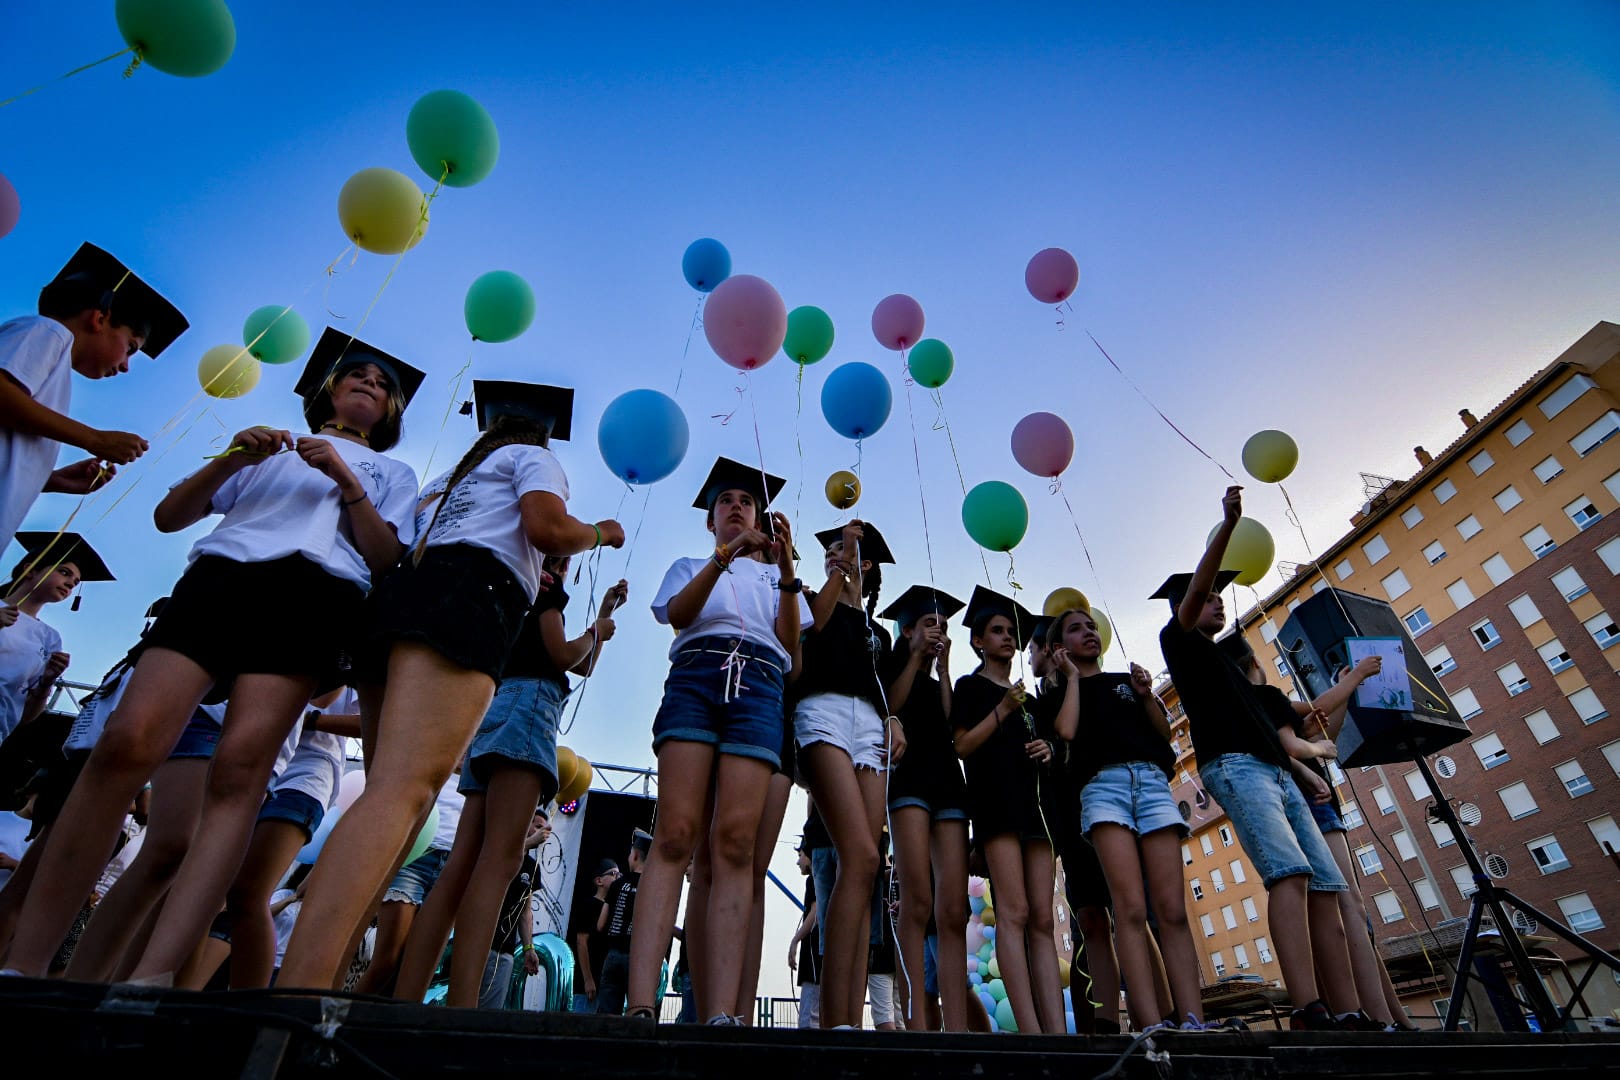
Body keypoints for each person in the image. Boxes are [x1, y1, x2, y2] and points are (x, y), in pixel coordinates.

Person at [5, 330, 424, 980]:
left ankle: (152, 978)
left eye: (382, 383)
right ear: (326, 392)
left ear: (393, 411)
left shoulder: (394, 474)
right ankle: (24, 965)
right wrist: (230, 458)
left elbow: (386, 557)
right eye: (356, 375)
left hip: (315, 597)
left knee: (240, 773)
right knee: (126, 744)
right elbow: (171, 515)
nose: (368, 383)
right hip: (221, 580)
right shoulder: (269, 446)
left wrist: (345, 479)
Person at [279, 380, 622, 990]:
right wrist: (599, 533)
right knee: (403, 797)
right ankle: (301, 992)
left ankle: (322, 981)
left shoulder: (447, 482)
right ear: (541, 434)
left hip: (394, 606)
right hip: (466, 601)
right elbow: (547, 529)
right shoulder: (533, 459)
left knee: (393, 805)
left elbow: (390, 553)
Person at [393, 531, 626, 1008]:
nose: (563, 572)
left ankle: (407, 996)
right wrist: (596, 630)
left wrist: (601, 620)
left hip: (491, 708)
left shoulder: (505, 591)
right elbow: (564, 657)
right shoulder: (547, 589)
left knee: (462, 864)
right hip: (529, 709)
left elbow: (579, 666)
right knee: (500, 862)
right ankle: (462, 1007)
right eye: (561, 564)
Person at [1154, 485, 1356, 1031]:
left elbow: (1290, 724)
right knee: (1288, 874)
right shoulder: (1181, 645)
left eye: (1224, 596)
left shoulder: (1233, 672)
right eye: (1211, 597)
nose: (1220, 601)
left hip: (1274, 771)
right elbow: (1197, 592)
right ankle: (1307, 1008)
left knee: (1326, 886)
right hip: (1236, 770)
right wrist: (1226, 526)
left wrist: (1303, 763)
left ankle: (1347, 1010)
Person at [627, 458, 809, 1025]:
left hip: (759, 684)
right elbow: (678, 615)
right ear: (711, 521)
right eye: (725, 501)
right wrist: (724, 557)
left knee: (734, 842)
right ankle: (639, 1004)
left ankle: (724, 1014)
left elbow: (792, 652)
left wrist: (783, 571)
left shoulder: (781, 581)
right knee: (676, 833)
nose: (736, 507)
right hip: (697, 675)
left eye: (745, 501)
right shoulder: (690, 564)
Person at [1221, 635, 1407, 1030]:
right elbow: (1309, 737)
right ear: (1255, 661)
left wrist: (1334, 710)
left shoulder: (1256, 708)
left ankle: (1386, 1014)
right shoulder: (1266, 698)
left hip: (1309, 802)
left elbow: (1323, 732)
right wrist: (1356, 677)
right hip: (1309, 805)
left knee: (1345, 914)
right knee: (1347, 908)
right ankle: (1373, 1014)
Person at [1046, 607, 1205, 1031]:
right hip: (1103, 789)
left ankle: (1192, 1019)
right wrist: (1074, 679)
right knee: (1128, 908)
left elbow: (1163, 732)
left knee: (1171, 909)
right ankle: (1149, 1022)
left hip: (1152, 784)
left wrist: (1145, 692)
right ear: (1061, 647)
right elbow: (1065, 731)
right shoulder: (1064, 691)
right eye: (1076, 630)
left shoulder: (1123, 683)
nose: (1089, 634)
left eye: (1092, 627)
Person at [0, 243, 187, 544]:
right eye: (130, 348)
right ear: (99, 319)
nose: (126, 366)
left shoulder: (55, 372)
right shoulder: (48, 332)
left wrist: (50, 480)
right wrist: (94, 438)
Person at [795, 520, 903, 1029]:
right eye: (837, 549)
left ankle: (849, 1022)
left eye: (854, 551)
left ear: (872, 566)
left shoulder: (878, 633)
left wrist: (894, 719)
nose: (844, 555)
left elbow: (884, 689)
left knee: (868, 865)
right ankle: (833, 1020)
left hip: (871, 729)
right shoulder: (812, 601)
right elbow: (810, 631)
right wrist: (839, 579)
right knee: (857, 854)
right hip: (823, 713)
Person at [184, 687, 357, 990]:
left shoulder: (353, 653)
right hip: (251, 754)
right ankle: (176, 997)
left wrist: (310, 719)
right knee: (204, 891)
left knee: (248, 893)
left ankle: (248, 1013)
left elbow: (367, 720)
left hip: (307, 772)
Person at [951, 586, 1063, 1033]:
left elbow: (1055, 746)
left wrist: (1048, 751)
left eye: (1012, 633)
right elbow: (962, 745)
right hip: (996, 806)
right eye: (997, 631)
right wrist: (1001, 710)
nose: (1008, 639)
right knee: (1013, 913)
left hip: (1036, 809)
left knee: (1041, 919)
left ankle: (1056, 1031)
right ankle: (1031, 1031)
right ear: (978, 640)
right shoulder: (970, 687)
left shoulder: (1031, 701)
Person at [880, 584, 972, 1031]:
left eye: (942, 626)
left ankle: (955, 1025)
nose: (938, 630)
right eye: (930, 623)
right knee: (917, 899)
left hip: (948, 783)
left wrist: (945, 665)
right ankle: (913, 1019)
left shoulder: (937, 674)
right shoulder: (893, 661)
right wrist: (916, 655)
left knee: (953, 909)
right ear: (908, 628)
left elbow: (953, 725)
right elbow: (891, 706)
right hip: (909, 779)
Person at [1028, 614, 1120, 1034]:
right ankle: (1105, 1022)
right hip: (1067, 817)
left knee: (1131, 912)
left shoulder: (1094, 688)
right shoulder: (1040, 702)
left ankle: (1164, 1010)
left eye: (1033, 648)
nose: (1031, 656)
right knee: (1091, 915)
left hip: (1104, 805)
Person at [357, 775, 466, 995]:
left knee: (418, 971)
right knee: (386, 962)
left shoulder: (481, 766)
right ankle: (331, 1023)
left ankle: (391, 1027)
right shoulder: (439, 756)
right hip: (415, 856)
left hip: (453, 865)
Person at [0, 532, 113, 743]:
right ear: (31, 570)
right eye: (64, 572)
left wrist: (47, 680)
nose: (71, 583)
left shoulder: (49, 638)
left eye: (75, 581)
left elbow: (26, 716)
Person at [480, 807, 551, 1009]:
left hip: (505, 949)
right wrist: (528, 843)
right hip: (479, 943)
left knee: (490, 1012)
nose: (541, 831)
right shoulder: (498, 850)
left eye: (543, 828)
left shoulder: (532, 867)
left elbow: (525, 910)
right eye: (537, 825)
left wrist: (529, 948)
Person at [597, 828, 651, 1014]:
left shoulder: (617, 884)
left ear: (635, 856)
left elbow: (600, 924)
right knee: (637, 1012)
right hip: (640, 958)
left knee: (607, 1014)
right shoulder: (652, 886)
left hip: (613, 955)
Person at [575, 858, 618, 1012]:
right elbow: (581, 941)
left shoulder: (615, 908)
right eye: (613, 874)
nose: (617, 878)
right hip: (587, 984)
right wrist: (588, 979)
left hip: (607, 985)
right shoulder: (588, 905)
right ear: (599, 880)